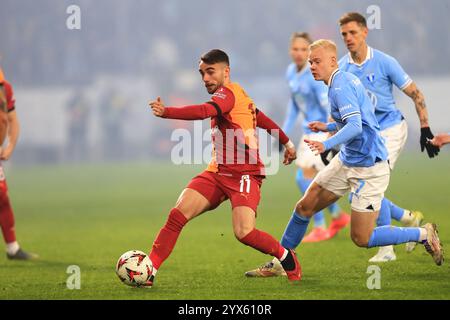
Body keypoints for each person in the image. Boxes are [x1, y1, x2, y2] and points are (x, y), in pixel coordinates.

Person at [250, 40, 444, 279]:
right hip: (347, 160)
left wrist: (326, 142)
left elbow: (355, 127)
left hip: (369, 167)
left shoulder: (340, 86)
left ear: (333, 61)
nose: (311, 66)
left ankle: (423, 234)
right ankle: (281, 261)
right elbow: (355, 119)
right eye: (310, 62)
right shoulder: (338, 82)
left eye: (317, 61)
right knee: (304, 206)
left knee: (362, 238)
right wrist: (328, 126)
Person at [146, 49, 301, 287]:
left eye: (210, 72)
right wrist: (288, 143)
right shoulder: (238, 93)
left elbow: (204, 111)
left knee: (245, 233)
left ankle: (286, 257)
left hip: (245, 174)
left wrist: (168, 112)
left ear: (225, 71)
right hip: (217, 171)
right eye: (202, 73)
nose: (205, 78)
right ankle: (149, 270)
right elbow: (260, 118)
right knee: (177, 214)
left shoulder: (227, 95)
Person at [338, 12, 440, 262]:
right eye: (344, 34)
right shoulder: (342, 68)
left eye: (353, 32)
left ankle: (387, 250)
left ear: (365, 32)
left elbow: (415, 93)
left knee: (370, 185)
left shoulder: (384, 62)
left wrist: (425, 128)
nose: (348, 38)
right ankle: (407, 218)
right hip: (366, 136)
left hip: (391, 130)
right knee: (357, 192)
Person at [279, 32, 350, 243]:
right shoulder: (291, 72)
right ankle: (337, 216)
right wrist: (283, 132)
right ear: (290, 50)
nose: (299, 53)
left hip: (320, 132)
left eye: (304, 49)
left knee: (307, 178)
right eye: (296, 49)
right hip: (307, 132)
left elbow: (327, 103)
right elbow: (294, 104)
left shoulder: (314, 76)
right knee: (316, 179)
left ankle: (320, 225)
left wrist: (330, 132)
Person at [0, 69, 38, 260]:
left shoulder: (5, 88)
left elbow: (12, 120)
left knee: (2, 197)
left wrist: (10, 146)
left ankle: (12, 248)